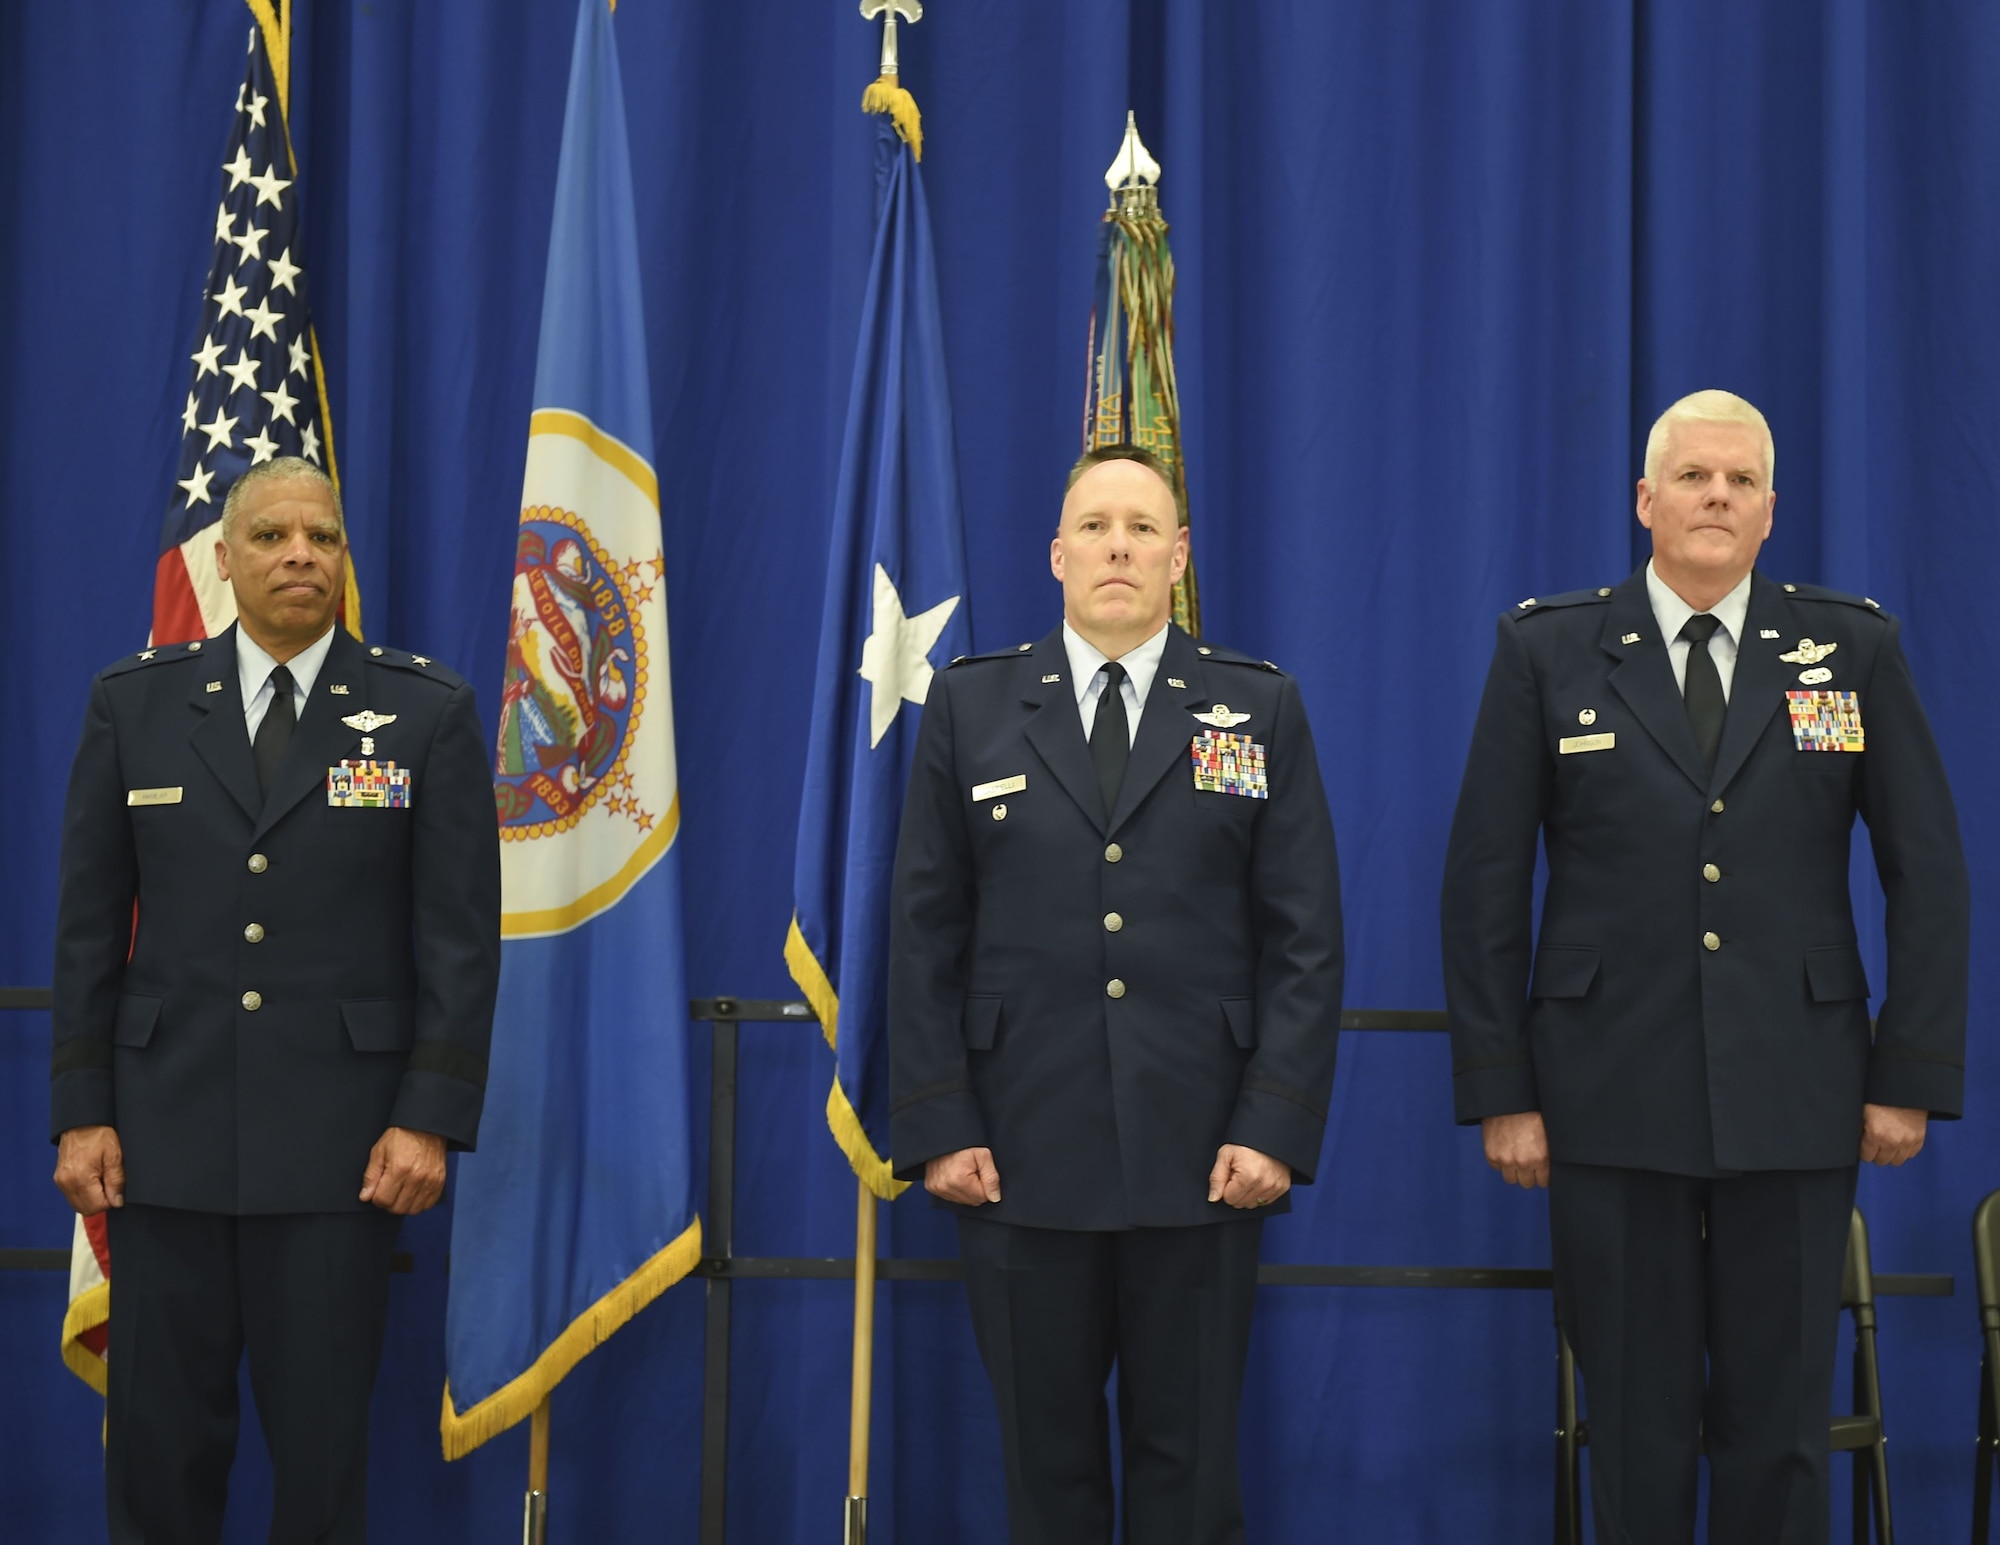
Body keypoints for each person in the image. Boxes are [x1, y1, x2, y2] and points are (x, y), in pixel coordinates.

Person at [1441, 391, 1968, 1543]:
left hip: (1796, 1091)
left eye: (1737, 482)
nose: (1714, 496)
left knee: (1777, 1429)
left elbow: (1925, 870)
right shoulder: (1546, 649)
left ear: (1769, 513)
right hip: (1603, 1094)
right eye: (1691, 478)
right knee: (1630, 1427)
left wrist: (1907, 1072)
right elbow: (1482, 880)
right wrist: (1502, 1088)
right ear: (1645, 502)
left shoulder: (1851, 648)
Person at [889, 444, 1344, 1544]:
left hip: (1203, 1160)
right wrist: (941, 1122)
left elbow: (1304, 939)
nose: (1117, 548)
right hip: (1015, 1157)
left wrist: (1273, 1125)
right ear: (1055, 554)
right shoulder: (971, 705)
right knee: (1044, 1479)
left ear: (1178, 555)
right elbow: (920, 935)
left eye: (1143, 528)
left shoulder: (1254, 709)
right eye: (1094, 526)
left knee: (1188, 1478)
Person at [50, 458, 501, 1544]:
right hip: (164, 1141)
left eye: (322, 537)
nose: (301, 554)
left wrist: (428, 1116)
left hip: (344, 1151)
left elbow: (458, 939)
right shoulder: (136, 705)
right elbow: (87, 928)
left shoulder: (421, 711)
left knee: (323, 1462)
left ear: (343, 557)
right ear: (225, 556)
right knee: (159, 1454)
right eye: (271, 537)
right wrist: (81, 1108)